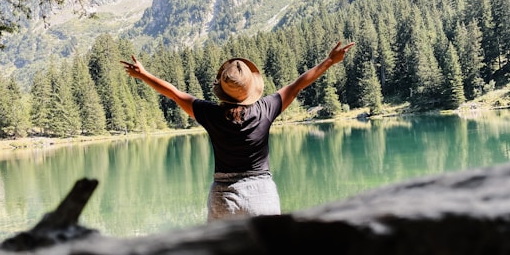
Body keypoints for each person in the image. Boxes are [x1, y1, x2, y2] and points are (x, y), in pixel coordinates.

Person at [121, 41, 355, 222]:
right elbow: (297, 85)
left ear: (222, 91)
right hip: (261, 195)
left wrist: (143, 74)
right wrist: (329, 61)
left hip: (223, 198)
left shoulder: (210, 114)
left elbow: (173, 93)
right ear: (252, 88)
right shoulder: (265, 109)